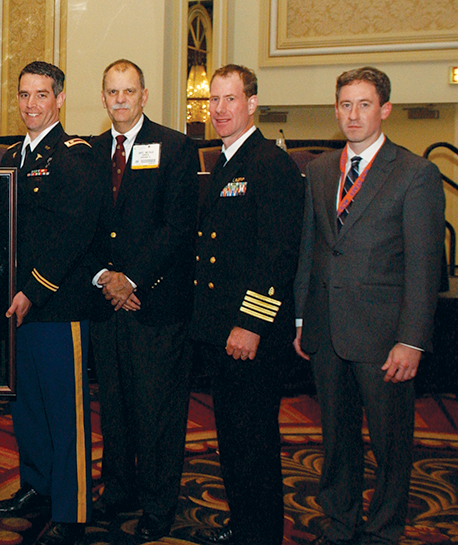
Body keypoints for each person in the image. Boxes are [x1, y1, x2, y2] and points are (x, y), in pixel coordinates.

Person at [293, 67, 444, 545]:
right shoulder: (321, 170)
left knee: (389, 443)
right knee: (336, 440)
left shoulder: (415, 173)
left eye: (364, 104)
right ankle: (340, 523)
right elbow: (311, 250)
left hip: (384, 338)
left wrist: (411, 340)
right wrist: (301, 319)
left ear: (385, 110)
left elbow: (424, 266)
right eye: (345, 105)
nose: (353, 115)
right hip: (326, 331)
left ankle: (383, 529)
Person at [0, 61, 103, 545]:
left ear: (59, 99)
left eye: (41, 95)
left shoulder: (75, 156)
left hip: (56, 306)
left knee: (64, 413)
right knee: (27, 407)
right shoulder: (12, 156)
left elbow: (73, 234)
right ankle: (37, 487)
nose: (31, 104)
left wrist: (32, 290)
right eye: (24, 95)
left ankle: (71, 512)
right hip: (17, 306)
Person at [189, 64, 303, 545]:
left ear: (252, 103)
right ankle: (244, 524)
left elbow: (277, 254)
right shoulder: (225, 161)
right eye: (213, 100)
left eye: (230, 99)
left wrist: (250, 324)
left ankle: (261, 533)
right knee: (233, 438)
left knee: (254, 441)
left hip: (249, 334)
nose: (219, 110)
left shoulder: (269, 163)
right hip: (221, 331)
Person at [88, 59, 197, 540]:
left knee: (157, 414)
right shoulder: (91, 153)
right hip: (105, 305)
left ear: (144, 95)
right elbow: (85, 226)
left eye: (128, 91)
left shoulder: (175, 147)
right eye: (112, 92)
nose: (120, 100)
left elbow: (177, 228)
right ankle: (119, 490)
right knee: (113, 408)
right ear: (103, 97)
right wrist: (104, 278)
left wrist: (131, 280)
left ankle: (157, 503)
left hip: (155, 306)